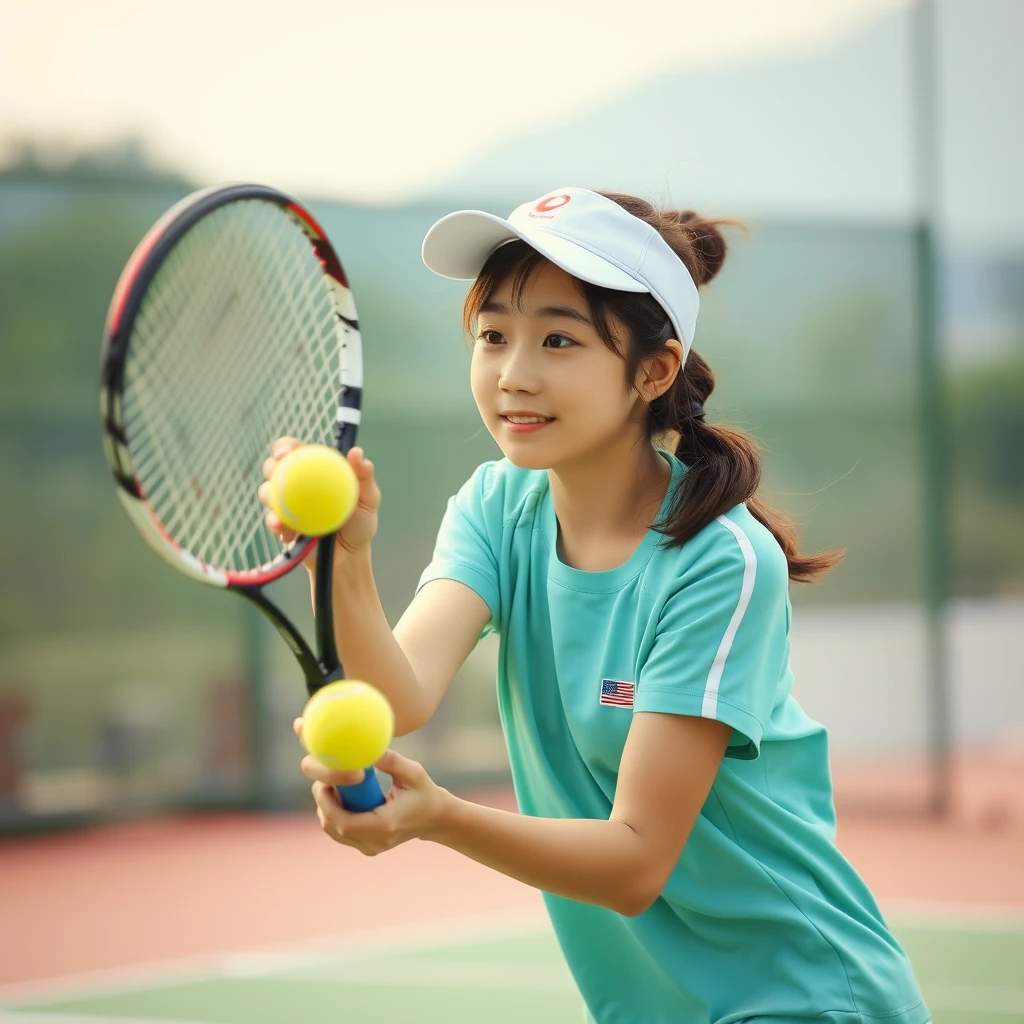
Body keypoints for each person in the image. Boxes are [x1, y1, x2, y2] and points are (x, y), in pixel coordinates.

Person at [259, 188, 929, 1024]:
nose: (513, 374)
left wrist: (438, 817)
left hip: (800, 999)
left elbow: (635, 861)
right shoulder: (499, 506)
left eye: (559, 340)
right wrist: (344, 559)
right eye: (493, 334)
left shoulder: (721, 564)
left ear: (652, 371)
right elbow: (398, 697)